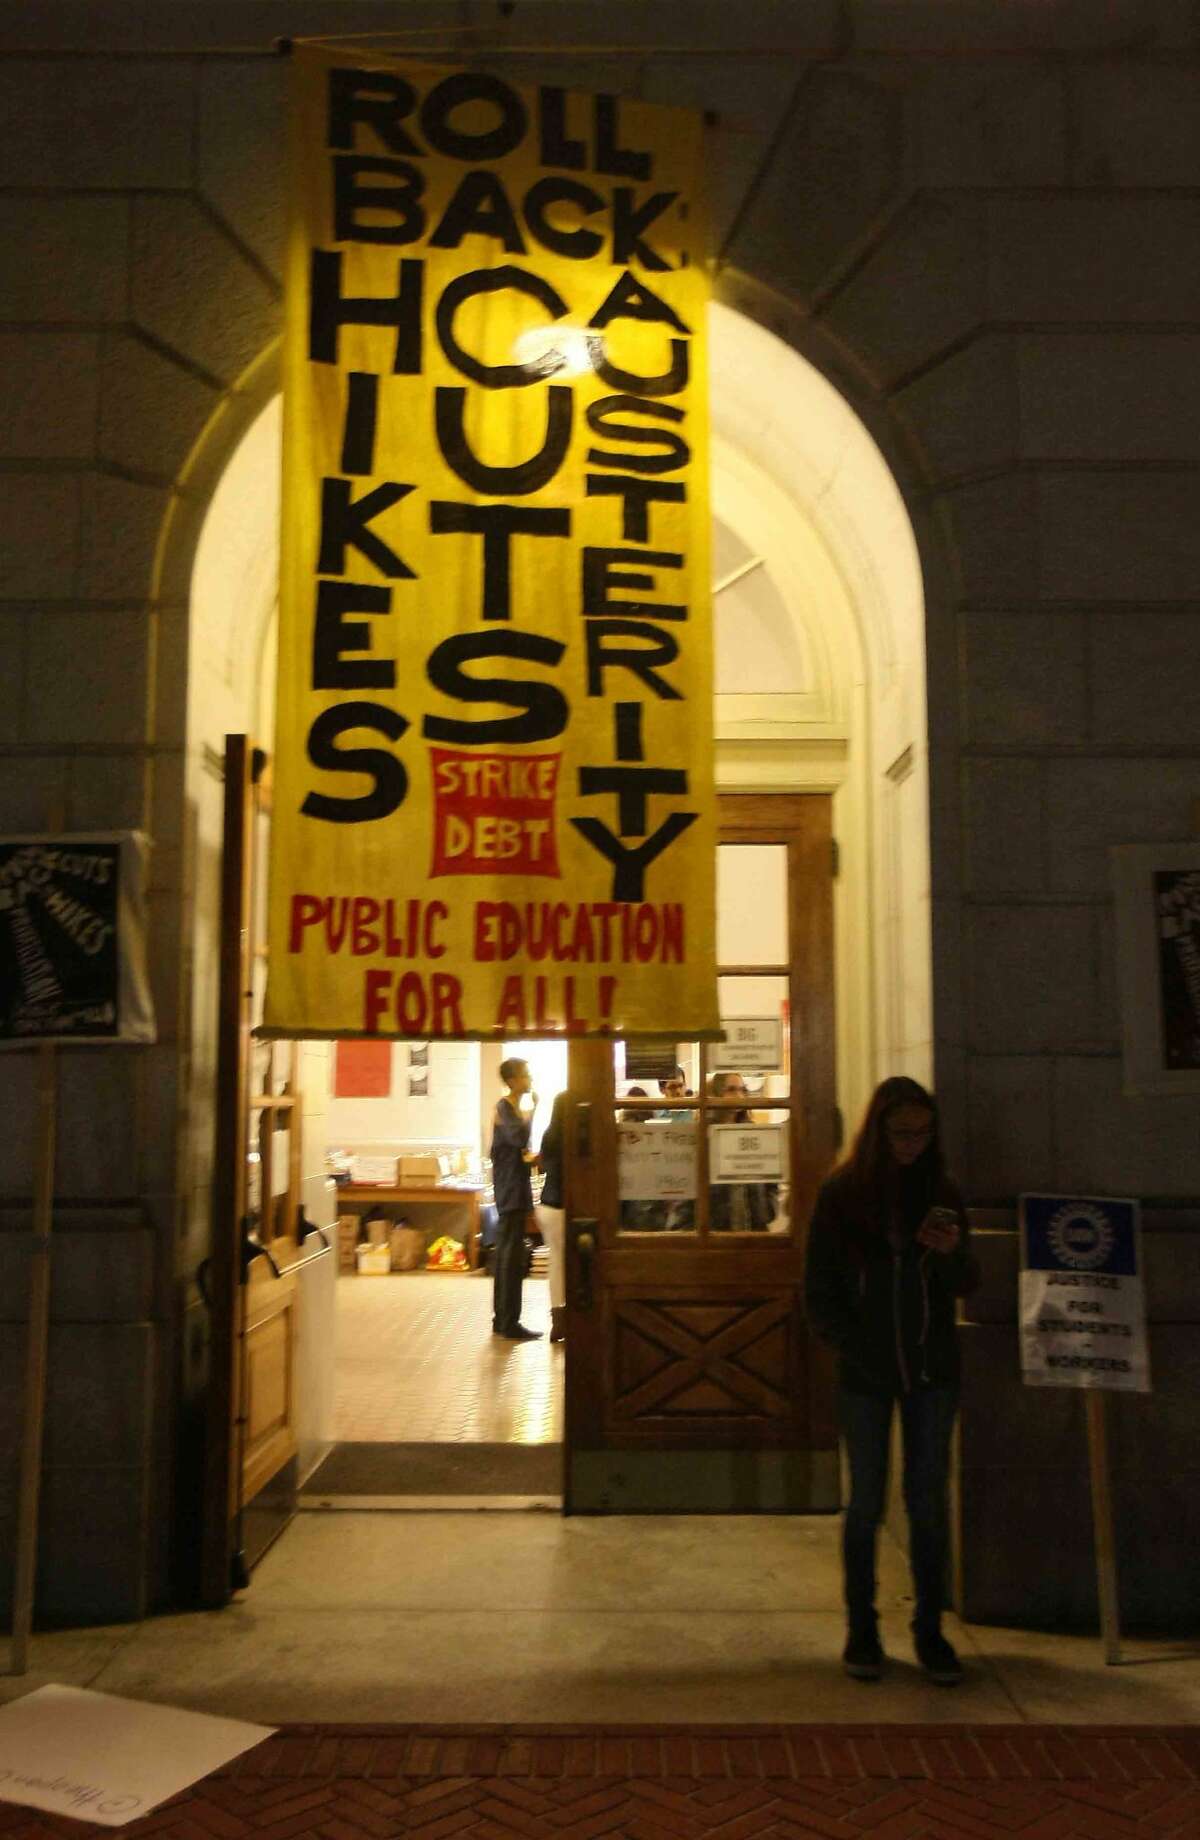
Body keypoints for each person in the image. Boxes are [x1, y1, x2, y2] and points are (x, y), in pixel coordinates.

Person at [804, 1076, 978, 1686]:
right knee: (866, 1504)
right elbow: (819, 1288)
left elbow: (965, 1282)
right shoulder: (844, 1195)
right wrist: (850, 1342)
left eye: (923, 1133)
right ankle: (863, 1628)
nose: (912, 1143)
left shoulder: (942, 1192)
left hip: (932, 1370)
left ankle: (929, 1630)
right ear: (878, 1131)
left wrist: (952, 1250)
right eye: (902, 1132)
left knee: (928, 1503)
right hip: (866, 1373)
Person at [489, 1057, 542, 1342]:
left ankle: (504, 1319)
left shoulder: (509, 1108)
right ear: (511, 1080)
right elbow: (518, 1138)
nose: (529, 1078)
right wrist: (533, 1110)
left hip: (513, 1187)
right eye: (525, 1074)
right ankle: (508, 1321)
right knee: (510, 1255)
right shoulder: (505, 1107)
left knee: (510, 1253)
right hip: (509, 1191)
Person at [707, 1071, 778, 1232]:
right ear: (716, 1093)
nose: (739, 1095)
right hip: (716, 1232)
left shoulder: (753, 1134)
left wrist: (767, 1210)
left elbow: (771, 1180)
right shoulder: (705, 1137)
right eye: (731, 1089)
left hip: (754, 1229)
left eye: (742, 1090)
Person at [537, 1089, 567, 1343]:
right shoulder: (579, 1132)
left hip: (548, 1205)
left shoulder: (550, 1134)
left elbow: (544, 1165)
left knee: (556, 1263)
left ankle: (558, 1318)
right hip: (571, 1205)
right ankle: (576, 1317)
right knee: (578, 1263)